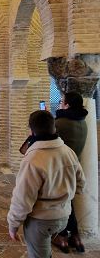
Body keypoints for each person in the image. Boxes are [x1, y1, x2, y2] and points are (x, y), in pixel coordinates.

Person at [7, 110, 85, 258]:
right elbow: (81, 184)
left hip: (40, 221)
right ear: (54, 128)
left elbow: (23, 198)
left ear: (31, 131)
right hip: (64, 217)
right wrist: (63, 197)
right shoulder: (68, 152)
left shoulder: (33, 159)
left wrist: (13, 225)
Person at [52, 91, 88, 253]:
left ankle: (61, 237)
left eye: (61, 101)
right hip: (74, 169)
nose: (60, 103)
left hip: (59, 170)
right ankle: (75, 237)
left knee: (60, 204)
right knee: (69, 202)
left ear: (67, 105)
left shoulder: (60, 123)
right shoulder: (83, 122)